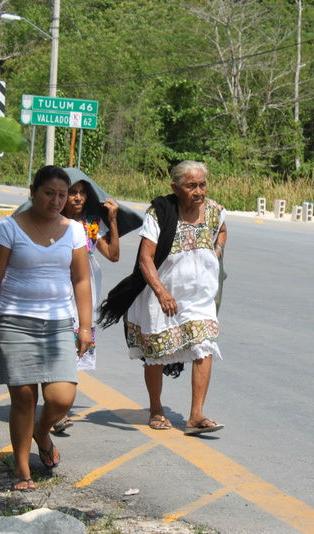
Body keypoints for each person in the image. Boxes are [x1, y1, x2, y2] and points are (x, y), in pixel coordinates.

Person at [0, 165, 92, 491]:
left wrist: (85, 328)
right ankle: (22, 468)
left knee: (62, 398)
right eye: (48, 193)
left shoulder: (75, 231)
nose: (56, 201)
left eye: (62, 195)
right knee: (24, 397)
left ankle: (42, 431)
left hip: (57, 324)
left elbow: (81, 280)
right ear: (32, 191)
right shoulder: (8, 228)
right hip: (14, 321)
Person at [99, 160, 227, 435]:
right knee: (156, 353)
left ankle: (195, 415)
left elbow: (224, 230)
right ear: (175, 187)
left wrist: (217, 248)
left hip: (199, 298)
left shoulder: (216, 211)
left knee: (204, 345)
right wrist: (161, 292)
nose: (198, 191)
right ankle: (156, 408)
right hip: (161, 298)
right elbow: (145, 258)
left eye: (202, 184)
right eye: (191, 185)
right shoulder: (160, 213)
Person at [51, 173, 120, 433]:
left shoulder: (91, 224)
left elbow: (113, 255)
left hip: (85, 287)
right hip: (58, 285)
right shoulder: (53, 222)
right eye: (72, 192)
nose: (77, 197)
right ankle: (57, 408)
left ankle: (61, 410)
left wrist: (112, 221)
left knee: (76, 343)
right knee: (57, 342)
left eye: (82, 192)